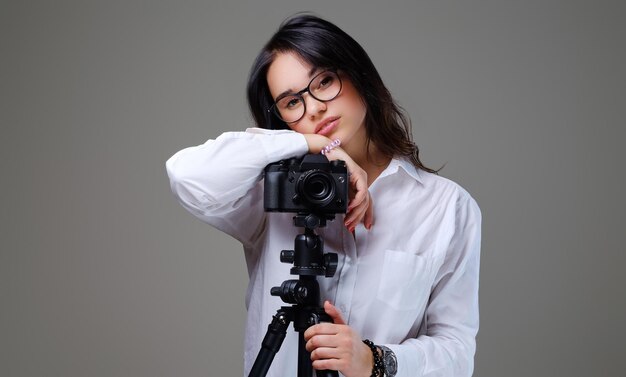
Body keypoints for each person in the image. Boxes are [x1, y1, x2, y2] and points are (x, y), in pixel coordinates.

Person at [166, 14, 481, 377]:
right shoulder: (273, 193)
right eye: (291, 102)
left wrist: (375, 360)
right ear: (282, 119)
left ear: (357, 74)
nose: (314, 107)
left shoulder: (446, 209)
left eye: (325, 81)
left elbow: (456, 353)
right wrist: (313, 142)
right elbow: (185, 173)